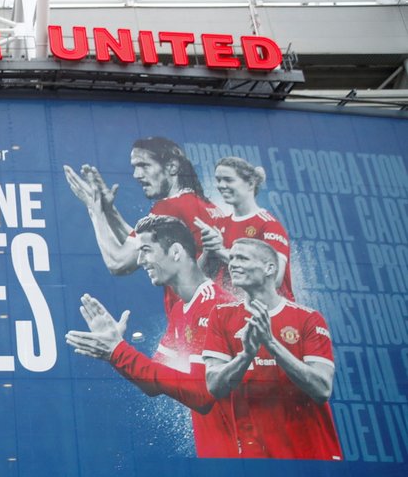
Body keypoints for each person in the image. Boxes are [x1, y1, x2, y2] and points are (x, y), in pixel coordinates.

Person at [65, 215, 238, 458]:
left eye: (146, 250)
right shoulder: (181, 310)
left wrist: (118, 351)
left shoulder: (216, 306)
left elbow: (202, 394)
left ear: (176, 251)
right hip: (216, 458)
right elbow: (152, 383)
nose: (140, 260)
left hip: (241, 459)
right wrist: (114, 352)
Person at [201, 239, 342, 460]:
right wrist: (246, 355)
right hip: (257, 459)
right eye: (232, 258)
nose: (233, 264)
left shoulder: (308, 319)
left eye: (243, 258)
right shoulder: (220, 316)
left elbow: (322, 388)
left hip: (313, 455)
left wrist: (272, 344)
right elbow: (214, 386)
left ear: (269, 268)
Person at [64, 137, 224, 313]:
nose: (136, 175)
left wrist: (94, 209)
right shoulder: (206, 206)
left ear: (172, 167)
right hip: (212, 313)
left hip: (197, 319)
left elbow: (118, 262)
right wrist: (109, 211)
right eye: (135, 167)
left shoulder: (169, 207)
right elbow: (142, 243)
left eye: (144, 165)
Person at [195, 156, 295, 300]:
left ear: (250, 184)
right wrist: (207, 252)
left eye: (228, 180)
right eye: (218, 180)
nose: (221, 185)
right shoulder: (219, 225)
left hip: (269, 315)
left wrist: (221, 251)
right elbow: (198, 279)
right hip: (232, 312)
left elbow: (275, 279)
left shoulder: (268, 225)